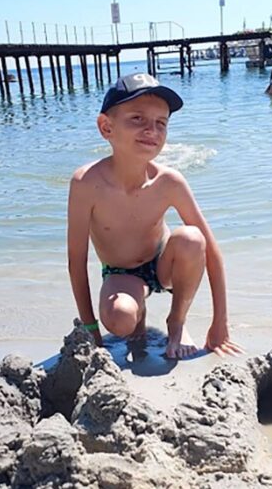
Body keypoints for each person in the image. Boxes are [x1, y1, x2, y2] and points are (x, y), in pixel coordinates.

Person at [67, 73, 241, 359]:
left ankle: (176, 322)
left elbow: (212, 252)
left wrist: (220, 323)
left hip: (165, 264)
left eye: (161, 123)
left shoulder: (169, 182)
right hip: (121, 273)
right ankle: (137, 316)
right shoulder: (86, 184)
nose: (152, 130)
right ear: (106, 127)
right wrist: (92, 332)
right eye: (137, 119)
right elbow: (76, 262)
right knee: (122, 319)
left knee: (192, 238)